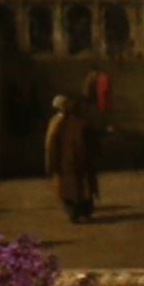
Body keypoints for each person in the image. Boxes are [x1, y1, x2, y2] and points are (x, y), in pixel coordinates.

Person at [43, 94, 94, 223]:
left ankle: (79, 211)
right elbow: (51, 143)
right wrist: (52, 161)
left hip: (71, 161)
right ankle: (77, 212)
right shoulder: (59, 122)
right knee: (72, 188)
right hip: (67, 161)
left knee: (75, 188)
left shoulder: (67, 121)